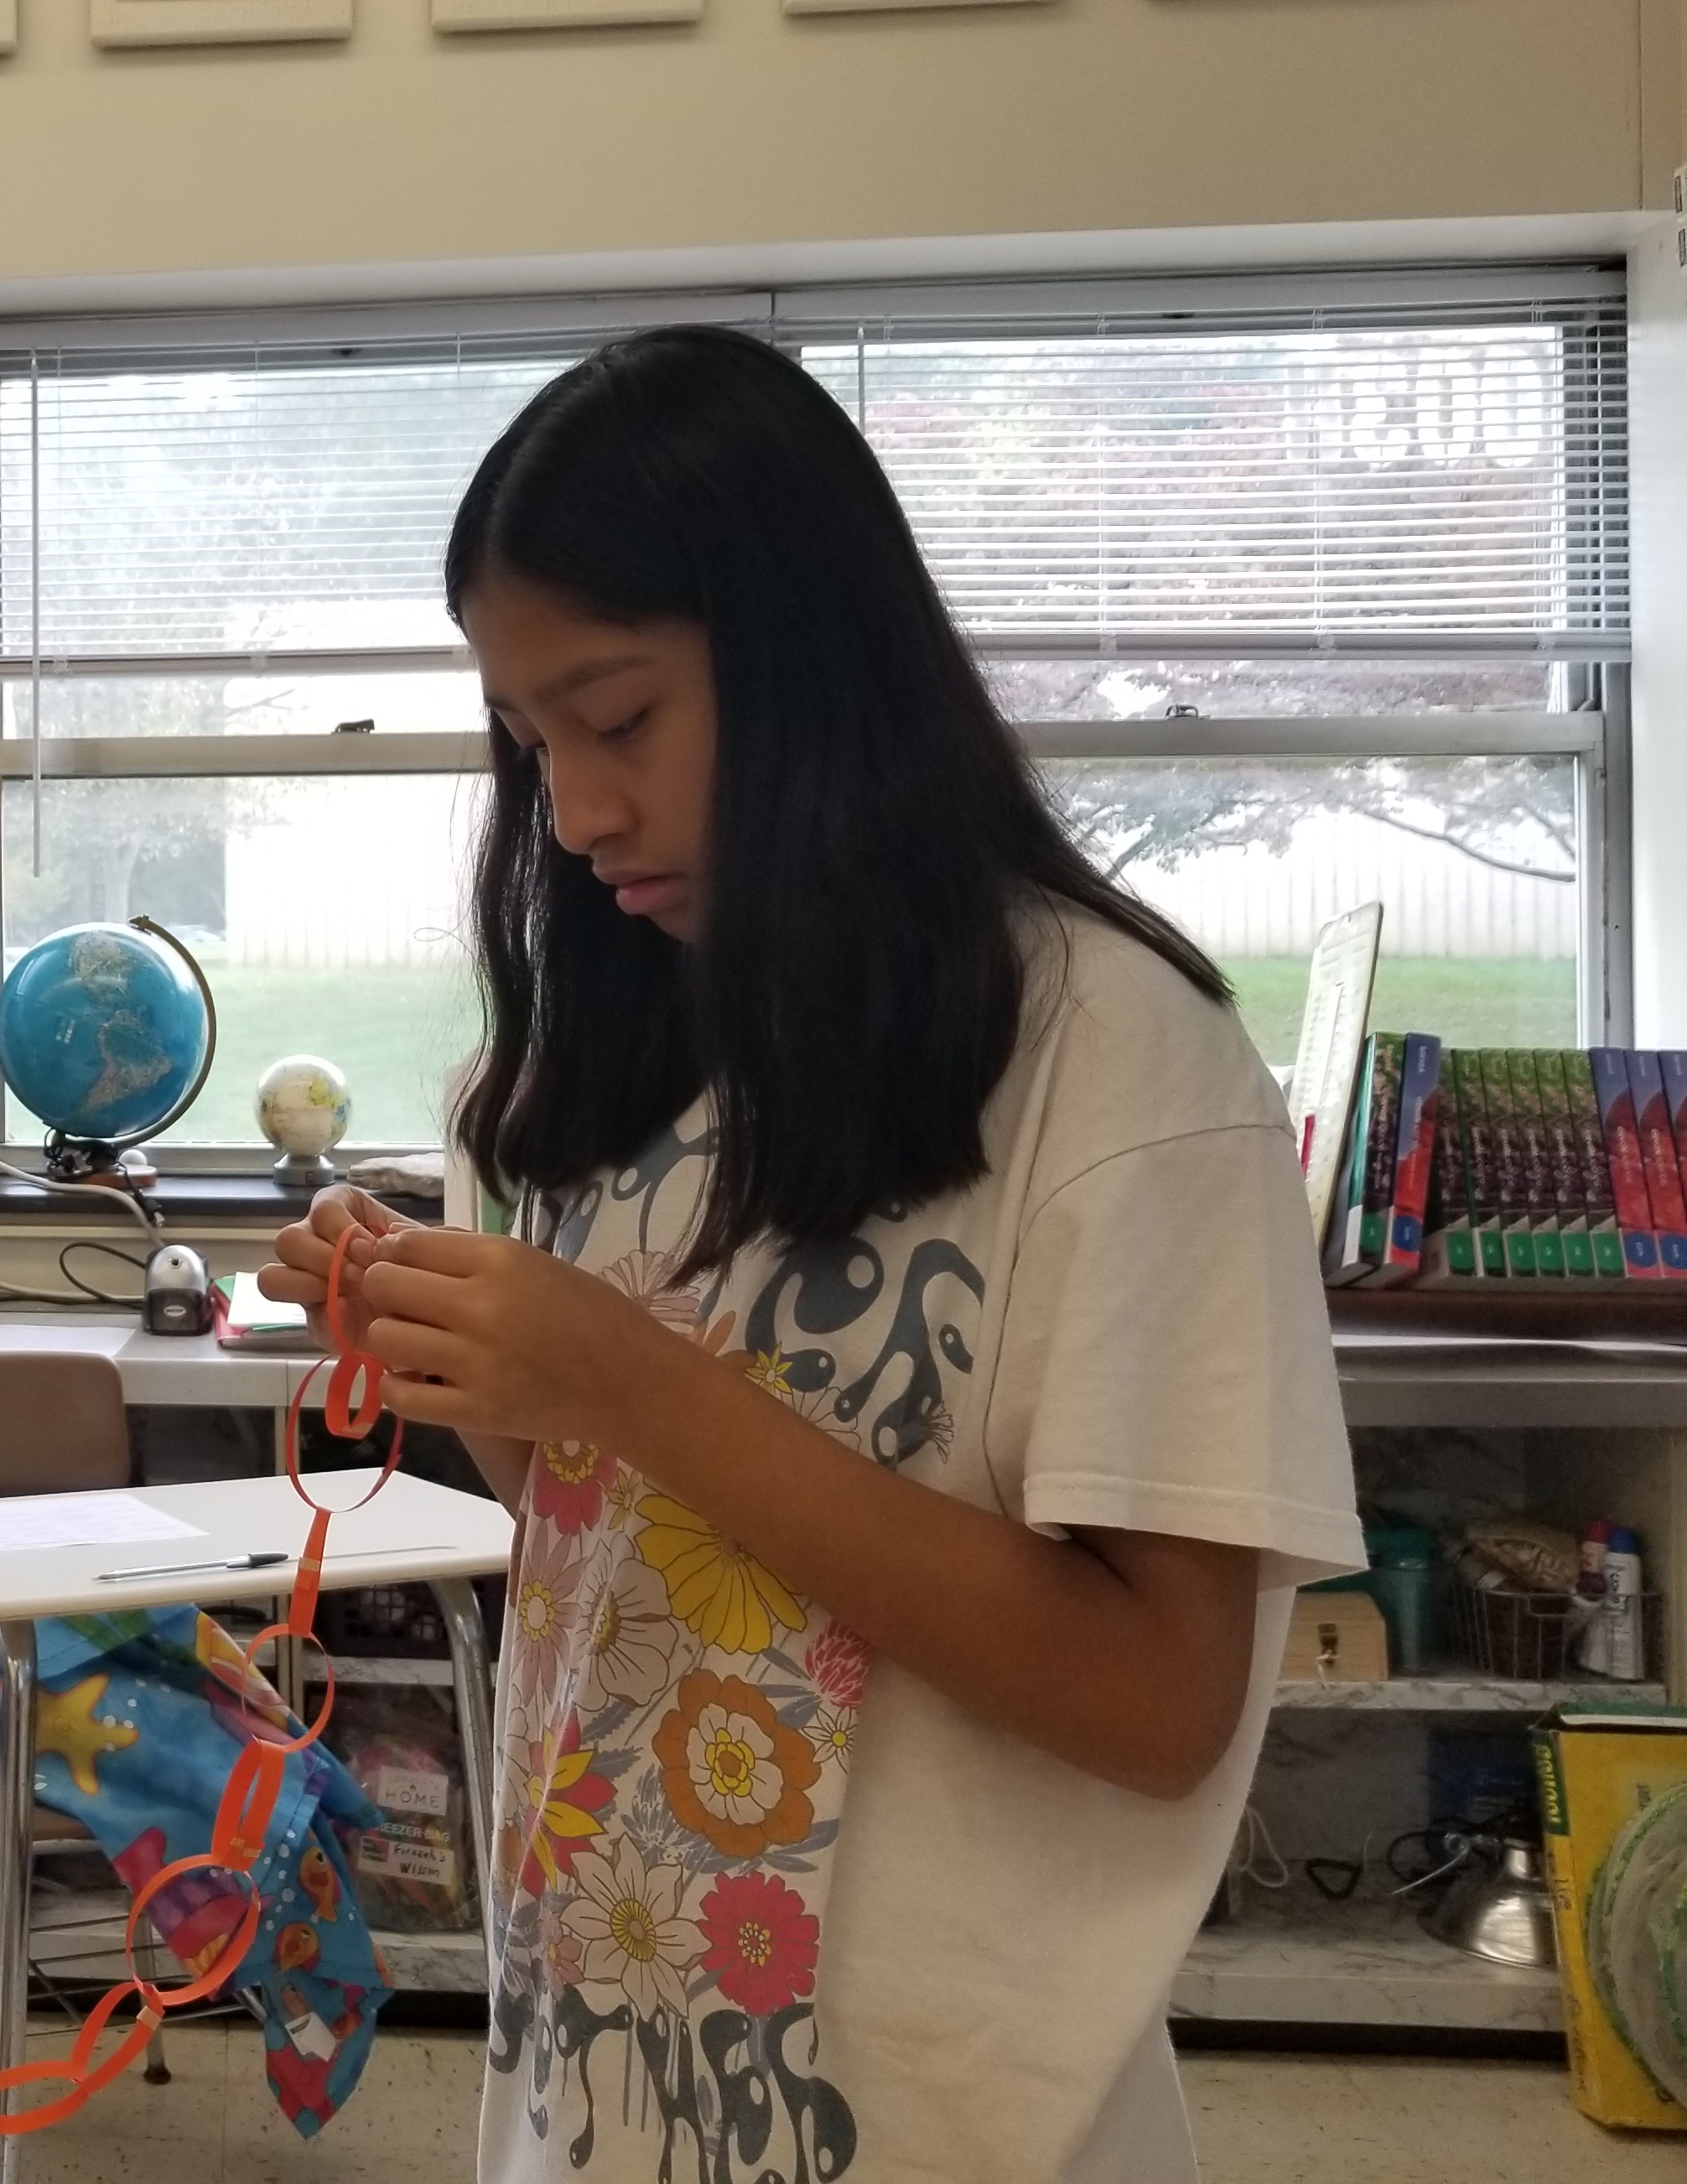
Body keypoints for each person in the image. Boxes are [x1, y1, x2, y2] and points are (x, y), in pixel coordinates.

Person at [264, 328, 1363, 2184]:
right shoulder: (574, 1060)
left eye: (621, 721)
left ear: (816, 671)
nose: (579, 814)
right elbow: (606, 1543)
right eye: (532, 744)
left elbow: (1162, 1701)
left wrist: (630, 1380)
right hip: (595, 2082)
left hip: (953, 2122)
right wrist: (480, 1365)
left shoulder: (1116, 1058)